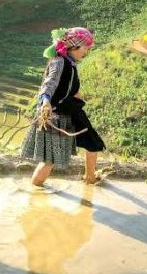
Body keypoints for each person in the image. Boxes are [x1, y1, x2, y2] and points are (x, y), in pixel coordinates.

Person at [20, 26, 105, 187]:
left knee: (93, 143)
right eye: (86, 48)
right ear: (75, 46)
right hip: (57, 115)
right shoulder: (59, 62)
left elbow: (66, 85)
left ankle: (90, 179)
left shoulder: (70, 63)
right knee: (49, 161)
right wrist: (45, 101)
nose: (87, 52)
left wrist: (76, 93)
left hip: (72, 110)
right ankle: (35, 190)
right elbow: (49, 84)